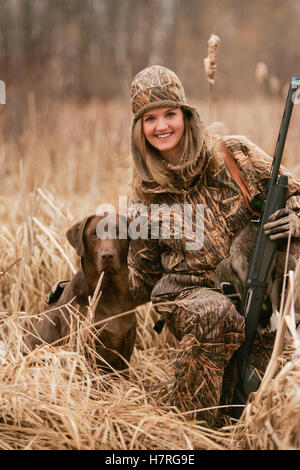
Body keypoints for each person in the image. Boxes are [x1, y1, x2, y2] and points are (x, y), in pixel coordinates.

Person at [127, 65, 300, 427]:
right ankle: (188, 429)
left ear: (187, 116)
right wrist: (95, 277)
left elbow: (294, 194)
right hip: (189, 293)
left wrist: (296, 220)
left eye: (170, 113)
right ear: (139, 129)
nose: (162, 126)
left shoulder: (233, 155)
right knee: (215, 314)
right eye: (150, 118)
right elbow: (142, 277)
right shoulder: (143, 196)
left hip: (253, 284)